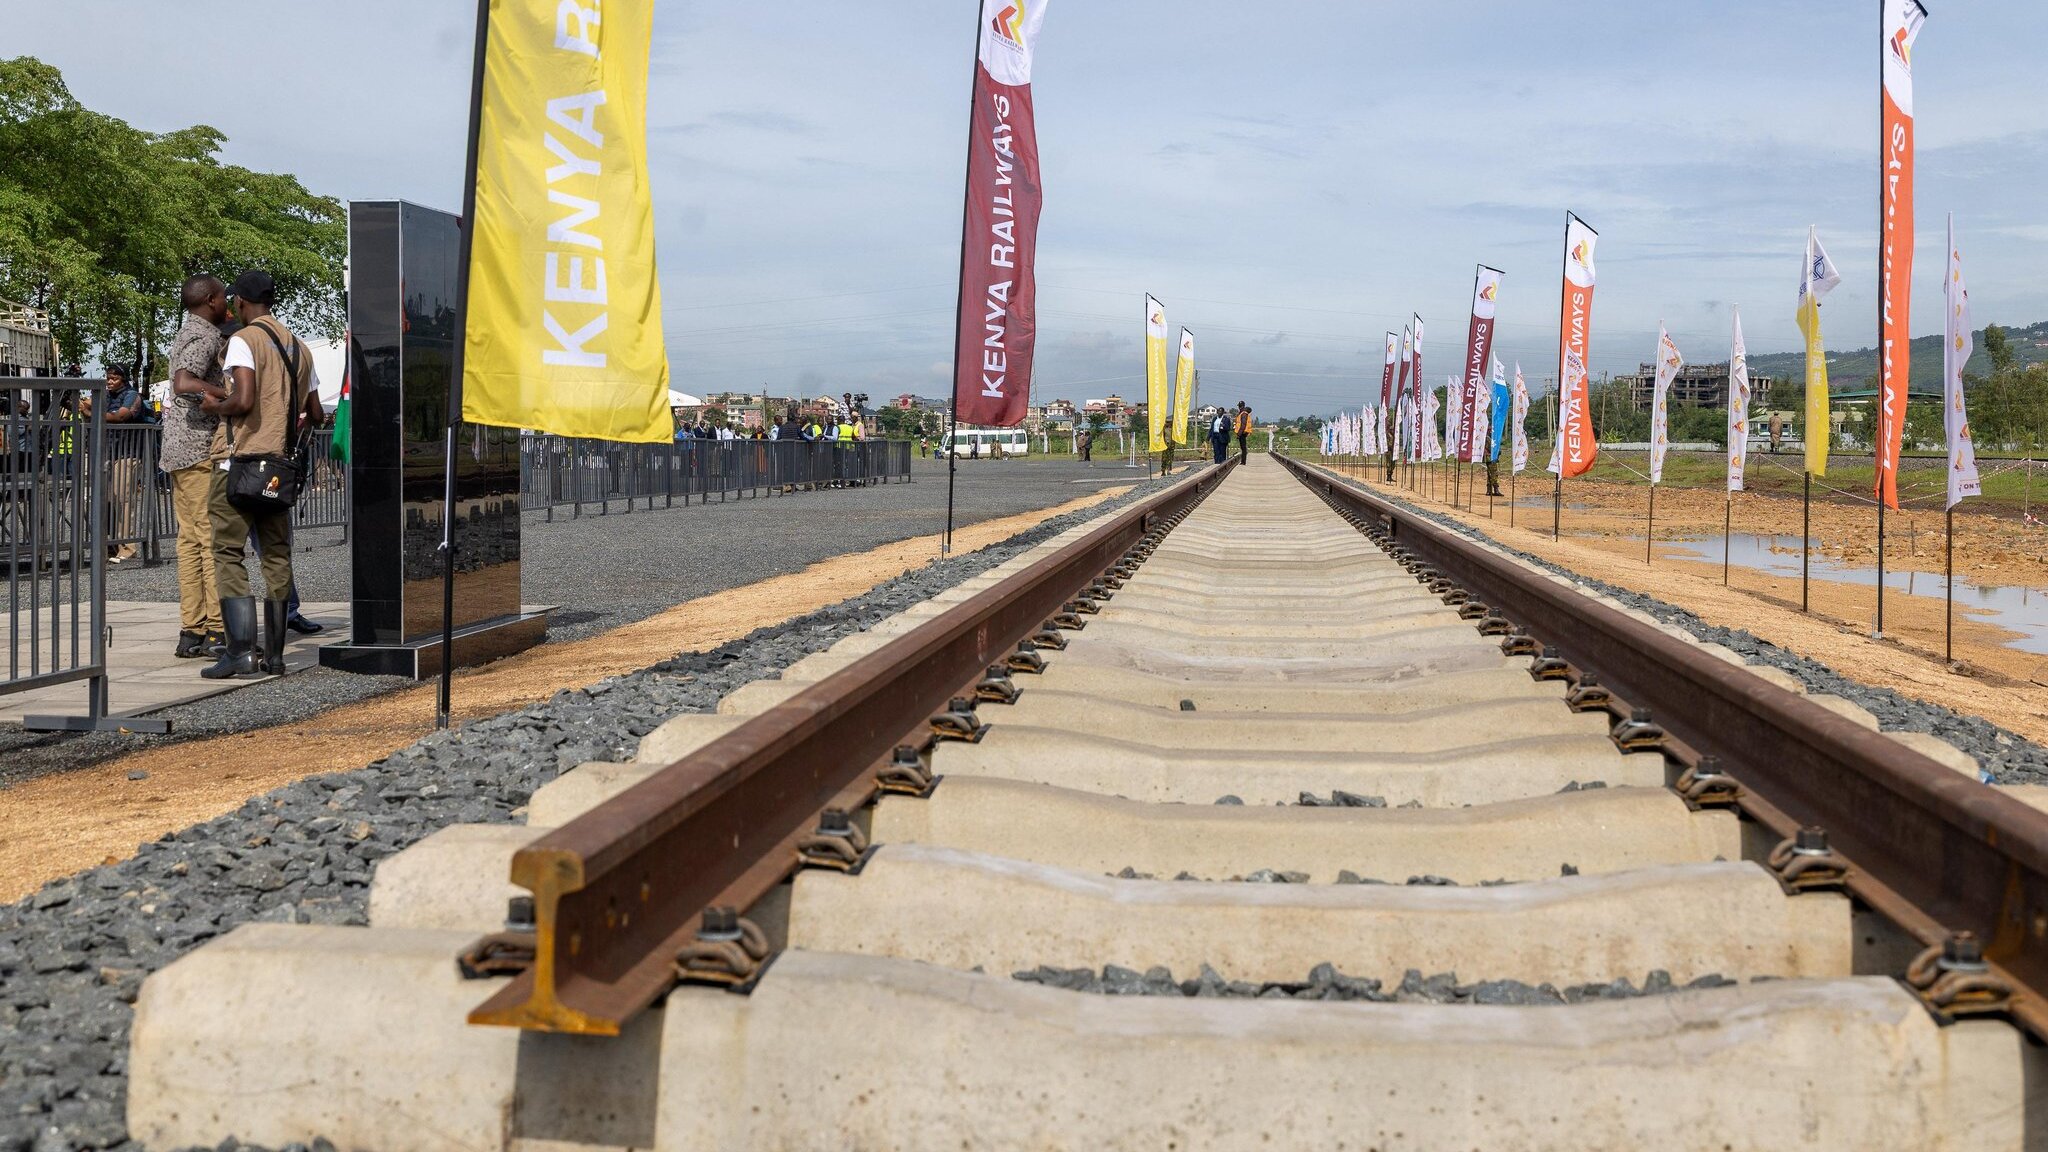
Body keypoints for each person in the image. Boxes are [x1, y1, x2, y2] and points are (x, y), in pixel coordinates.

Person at [199, 270, 320, 680]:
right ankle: (277, 655)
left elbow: (244, 398)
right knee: (276, 554)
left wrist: (215, 405)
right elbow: (316, 413)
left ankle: (240, 654)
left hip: (240, 462)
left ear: (239, 303)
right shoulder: (300, 348)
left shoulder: (243, 340)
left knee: (228, 551)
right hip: (280, 467)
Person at [164, 275, 231, 658]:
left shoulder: (187, 330)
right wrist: (228, 393)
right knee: (210, 540)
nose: (228, 303)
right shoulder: (205, 334)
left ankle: (192, 630)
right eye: (223, 297)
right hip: (198, 448)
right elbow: (183, 382)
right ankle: (218, 630)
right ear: (210, 300)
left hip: (178, 449)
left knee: (189, 541)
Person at [102, 365, 151, 562]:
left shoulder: (132, 395)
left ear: (123, 379)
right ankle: (111, 546)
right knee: (106, 500)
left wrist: (93, 413)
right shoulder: (105, 397)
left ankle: (128, 547)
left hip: (128, 453)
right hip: (109, 453)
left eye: (114, 378)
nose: (109, 381)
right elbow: (87, 404)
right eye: (108, 378)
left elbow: (121, 416)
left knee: (123, 499)